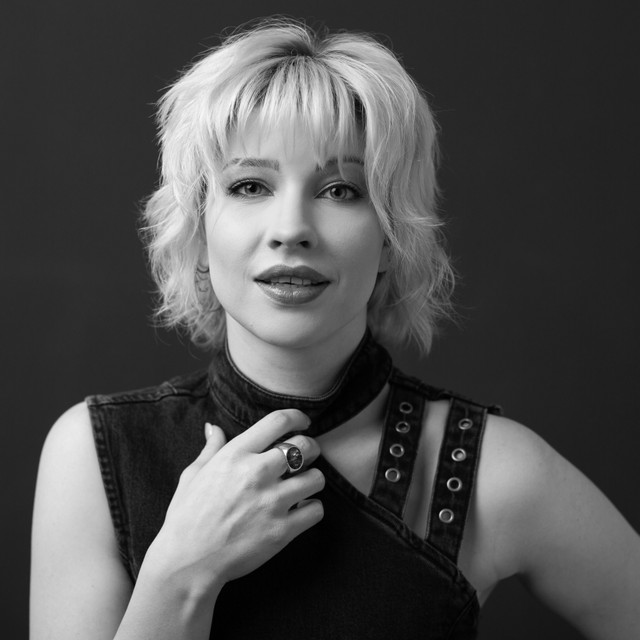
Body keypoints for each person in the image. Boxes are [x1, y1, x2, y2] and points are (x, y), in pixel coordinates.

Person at [30, 18, 640, 640]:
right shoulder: (92, 456)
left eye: (341, 189)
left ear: (391, 239)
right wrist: (180, 574)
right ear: (199, 233)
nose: (291, 228)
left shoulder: (489, 473)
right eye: (250, 185)